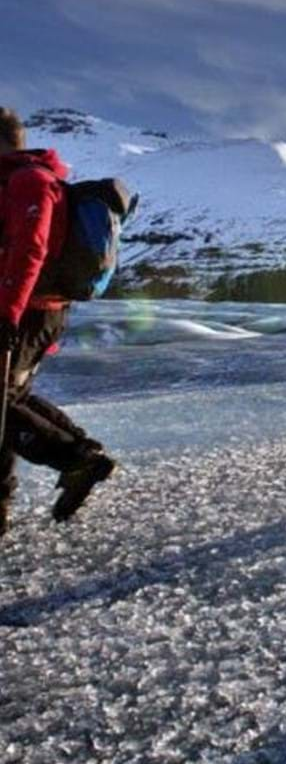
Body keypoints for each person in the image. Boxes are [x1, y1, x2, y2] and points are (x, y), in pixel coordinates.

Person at [0, 107, 116, 538]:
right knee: (12, 398)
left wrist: (7, 313)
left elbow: (28, 250)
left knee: (3, 402)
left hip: (29, 311)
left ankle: (76, 459)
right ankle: (83, 455)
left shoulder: (28, 181)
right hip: (34, 310)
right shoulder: (24, 179)